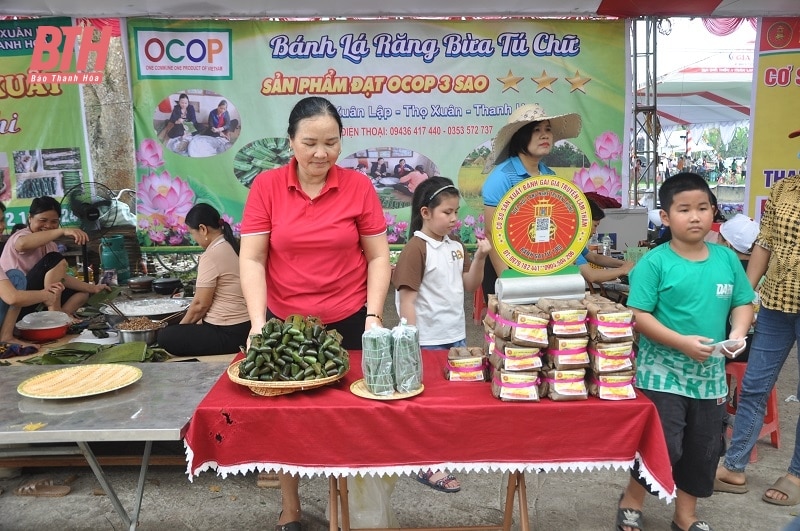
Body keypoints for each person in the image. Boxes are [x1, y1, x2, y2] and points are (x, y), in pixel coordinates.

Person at [238, 96, 391, 531]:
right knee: (288, 419)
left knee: (345, 416)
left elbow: (379, 257)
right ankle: (290, 506)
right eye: (310, 143)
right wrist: (257, 324)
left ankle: (339, 506)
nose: (320, 153)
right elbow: (252, 260)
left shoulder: (358, 186)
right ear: (290, 143)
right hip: (286, 324)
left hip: (348, 317)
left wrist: (374, 316)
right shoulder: (266, 187)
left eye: (331, 143)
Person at [616, 172, 754, 531]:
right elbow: (638, 315)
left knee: (703, 450)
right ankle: (632, 500)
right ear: (665, 216)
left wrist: (738, 333)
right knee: (663, 445)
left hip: (710, 377)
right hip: (662, 373)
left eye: (703, 208)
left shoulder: (726, 260)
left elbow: (743, 303)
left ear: (714, 213)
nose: (695, 216)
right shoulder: (655, 263)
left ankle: (685, 516)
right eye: (684, 209)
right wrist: (680, 342)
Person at [393, 176, 490, 494]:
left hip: (456, 338)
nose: (453, 218)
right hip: (427, 341)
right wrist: (410, 344)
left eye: (455, 211)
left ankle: (442, 454)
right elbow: (406, 301)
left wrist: (480, 257)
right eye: (447, 212)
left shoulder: (456, 246)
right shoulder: (415, 249)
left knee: (451, 403)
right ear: (426, 212)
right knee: (427, 406)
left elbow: (469, 286)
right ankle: (427, 464)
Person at [714, 170, 800, 507]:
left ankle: (796, 473)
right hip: (778, 305)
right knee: (754, 386)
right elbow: (764, 245)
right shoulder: (783, 189)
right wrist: (745, 296)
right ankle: (734, 467)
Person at [481, 103, 582, 302]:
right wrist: (507, 281)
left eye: (548, 130)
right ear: (520, 136)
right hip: (507, 269)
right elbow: (492, 234)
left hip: (541, 267)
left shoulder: (549, 175)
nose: (545, 135)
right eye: (536, 130)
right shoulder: (502, 177)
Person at [156, 203, 250, 356]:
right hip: (245, 327)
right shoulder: (232, 246)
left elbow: (200, 305)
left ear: (203, 229)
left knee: (166, 336)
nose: (194, 239)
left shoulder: (211, 255)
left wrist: (181, 329)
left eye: (192, 233)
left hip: (229, 333)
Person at [0, 196, 110, 320]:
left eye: (54, 222)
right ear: (30, 218)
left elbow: (60, 276)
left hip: (41, 297)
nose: (48, 225)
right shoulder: (21, 236)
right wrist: (62, 231)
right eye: (43, 220)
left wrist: (93, 288)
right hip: (17, 303)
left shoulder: (51, 245)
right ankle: (55, 317)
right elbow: (22, 244)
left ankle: (64, 315)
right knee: (54, 258)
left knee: (82, 293)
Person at [579, 199, 634, 286]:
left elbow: (594, 258)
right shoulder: (569, 247)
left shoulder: (576, 245)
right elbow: (591, 275)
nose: (594, 232)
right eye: (595, 225)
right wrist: (623, 270)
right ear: (584, 222)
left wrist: (624, 264)